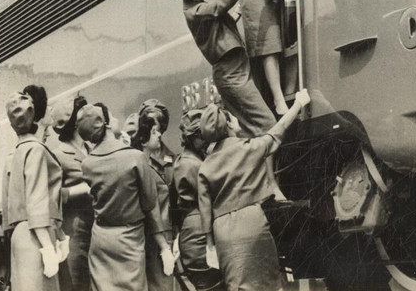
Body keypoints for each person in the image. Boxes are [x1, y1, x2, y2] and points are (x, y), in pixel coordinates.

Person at [174, 0, 286, 201]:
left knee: (249, 131)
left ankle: (258, 186)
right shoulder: (197, 11)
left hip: (235, 71)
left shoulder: (199, 9)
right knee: (268, 125)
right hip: (233, 75)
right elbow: (226, 0)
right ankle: (270, 186)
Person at [197, 88, 311, 291]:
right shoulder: (249, 148)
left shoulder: (205, 165)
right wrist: (298, 103)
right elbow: (278, 130)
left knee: (238, 285)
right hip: (251, 223)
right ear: (229, 125)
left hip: (221, 229)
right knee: (265, 283)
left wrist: (209, 245)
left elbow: (205, 209)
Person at [76, 104, 173, 291]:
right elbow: (150, 204)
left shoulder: (87, 164)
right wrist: (164, 247)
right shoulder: (135, 158)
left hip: (101, 240)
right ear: (106, 125)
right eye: (111, 116)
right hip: (130, 241)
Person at [2, 85, 64, 291]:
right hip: (37, 235)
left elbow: (7, 208)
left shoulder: (15, 154)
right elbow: (37, 203)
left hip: (20, 237)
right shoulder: (36, 150)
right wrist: (48, 247)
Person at [172, 109, 225, 291]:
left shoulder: (185, 160)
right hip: (199, 234)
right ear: (192, 137)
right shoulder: (192, 164)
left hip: (194, 230)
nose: (206, 141)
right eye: (202, 136)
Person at [48, 95, 93, 291]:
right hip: (76, 233)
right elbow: (53, 195)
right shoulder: (59, 155)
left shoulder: (92, 148)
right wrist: (84, 189)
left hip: (96, 229)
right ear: (75, 123)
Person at [132, 112, 176, 291]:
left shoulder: (146, 164)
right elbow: (151, 210)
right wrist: (164, 248)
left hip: (160, 235)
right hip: (157, 239)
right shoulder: (145, 169)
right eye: (153, 131)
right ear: (143, 140)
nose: (159, 134)